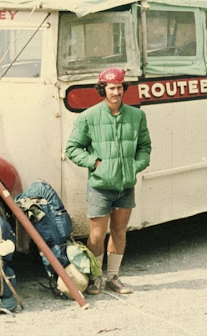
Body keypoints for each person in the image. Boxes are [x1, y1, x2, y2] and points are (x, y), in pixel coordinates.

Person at [65, 67, 152, 294]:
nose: (116, 92)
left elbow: (144, 147)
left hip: (125, 186)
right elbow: (72, 148)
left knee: (119, 231)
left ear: (124, 88)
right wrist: (95, 163)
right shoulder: (88, 117)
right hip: (100, 187)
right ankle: (95, 278)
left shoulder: (137, 116)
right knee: (96, 234)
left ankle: (113, 278)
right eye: (111, 88)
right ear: (103, 89)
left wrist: (135, 166)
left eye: (119, 88)